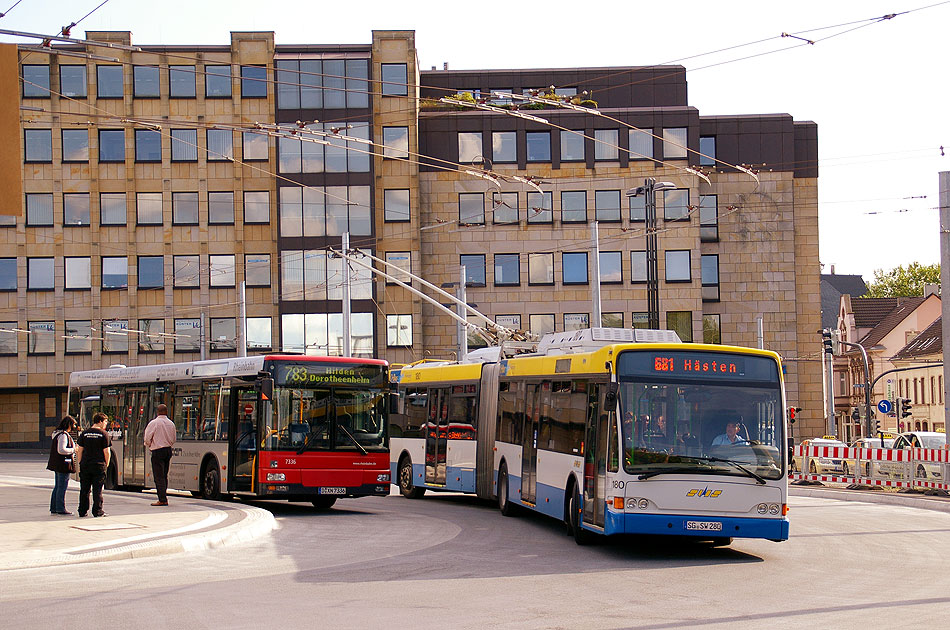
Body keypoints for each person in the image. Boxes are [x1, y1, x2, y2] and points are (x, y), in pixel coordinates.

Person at [76, 412, 111, 517]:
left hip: (86, 464)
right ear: (100, 421)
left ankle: (82, 511)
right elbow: (107, 452)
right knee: (98, 490)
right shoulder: (104, 434)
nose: (106, 424)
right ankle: (97, 511)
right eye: (105, 422)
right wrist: (106, 464)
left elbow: (79, 450)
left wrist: (80, 462)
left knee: (84, 489)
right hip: (98, 465)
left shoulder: (85, 433)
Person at [144, 403, 176, 507]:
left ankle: (162, 499)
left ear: (157, 412)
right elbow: (173, 439)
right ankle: (163, 495)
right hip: (168, 450)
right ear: (166, 412)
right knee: (164, 475)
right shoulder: (171, 423)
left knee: (158, 476)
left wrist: (149, 445)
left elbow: (147, 437)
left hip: (157, 451)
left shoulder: (154, 423)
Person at [46, 415, 77, 515]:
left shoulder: (57, 433)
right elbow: (62, 450)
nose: (74, 427)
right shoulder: (63, 435)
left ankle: (54, 507)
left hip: (57, 463)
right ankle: (60, 508)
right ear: (69, 425)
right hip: (64, 464)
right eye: (73, 425)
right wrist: (73, 450)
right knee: (62, 487)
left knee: (58, 486)